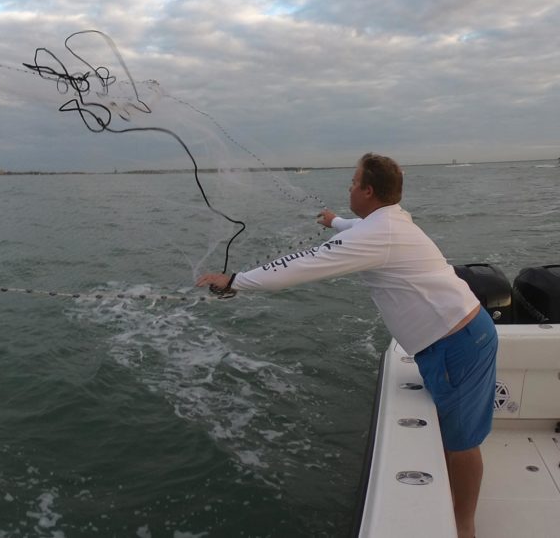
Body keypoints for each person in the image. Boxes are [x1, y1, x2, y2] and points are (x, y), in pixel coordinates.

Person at [196, 152, 497, 538]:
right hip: (462, 336)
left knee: (462, 443)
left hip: (457, 344)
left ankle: (464, 526)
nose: (349, 188)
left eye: (353, 183)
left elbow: (300, 265)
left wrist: (235, 280)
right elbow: (358, 225)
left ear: (369, 190)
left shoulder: (376, 235)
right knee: (454, 434)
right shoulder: (390, 220)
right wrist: (334, 220)